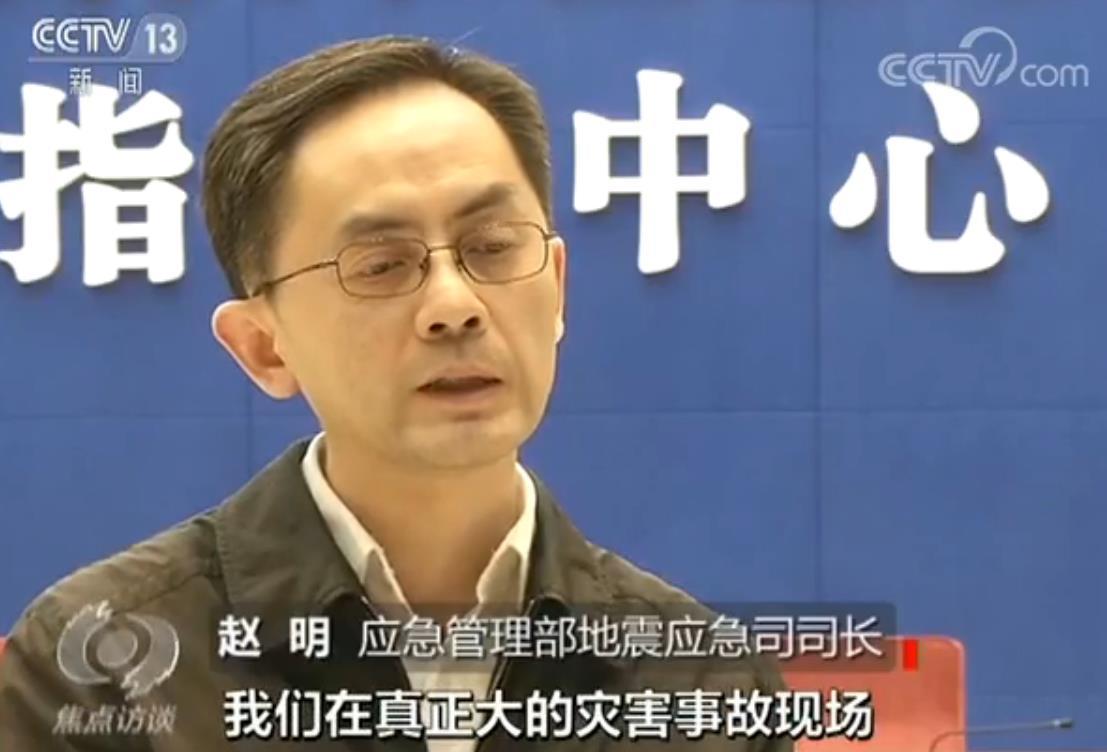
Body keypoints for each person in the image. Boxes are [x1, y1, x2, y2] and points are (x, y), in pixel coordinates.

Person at [0, 36, 789, 750]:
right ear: (263, 346)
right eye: (380, 265)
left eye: (491, 247)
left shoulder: (704, 686)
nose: (454, 305)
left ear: (556, 288)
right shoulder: (105, 668)